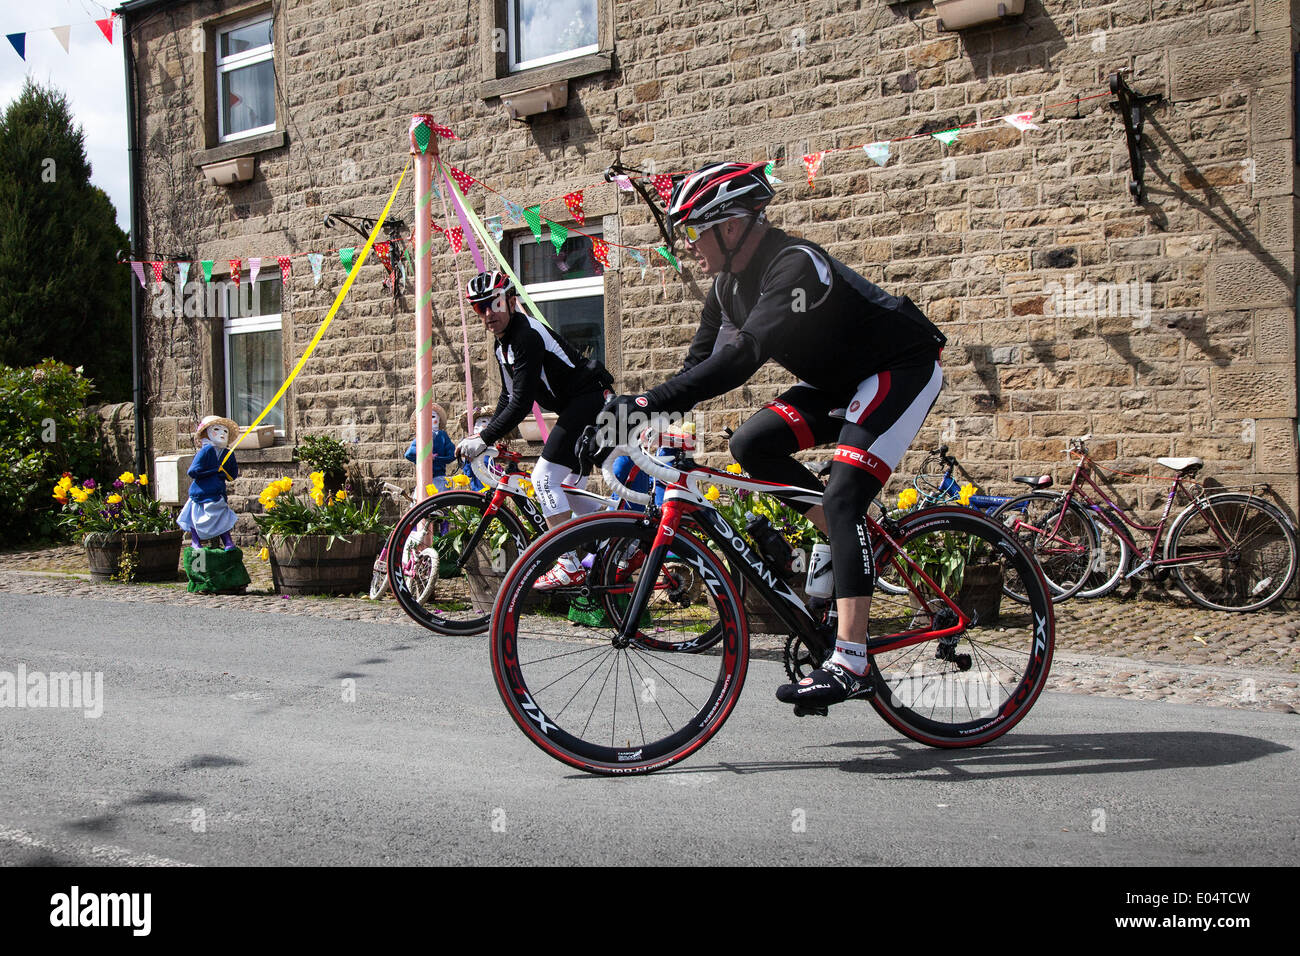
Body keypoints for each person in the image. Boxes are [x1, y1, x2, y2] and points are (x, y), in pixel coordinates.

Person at [600, 161, 947, 709]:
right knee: (751, 446)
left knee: (844, 497)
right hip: (839, 384)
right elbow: (699, 367)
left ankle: (852, 660)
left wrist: (643, 404)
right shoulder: (726, 288)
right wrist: (631, 420)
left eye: (694, 230)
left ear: (731, 226)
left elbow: (742, 358)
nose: (689, 245)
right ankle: (846, 538)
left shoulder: (795, 266)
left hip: (899, 368)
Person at [457, 270, 613, 588]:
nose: (488, 314)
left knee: (543, 480)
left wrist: (485, 438)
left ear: (510, 302)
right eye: (479, 308)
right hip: (578, 406)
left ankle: (568, 563)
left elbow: (523, 404)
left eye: (493, 304)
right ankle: (616, 541)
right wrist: (482, 435)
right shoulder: (504, 346)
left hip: (589, 401)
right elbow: (507, 396)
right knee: (569, 489)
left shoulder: (525, 336)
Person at [177, 415, 241, 550]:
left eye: (225, 431)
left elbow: (232, 475)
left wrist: (224, 472)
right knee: (194, 517)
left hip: (218, 493)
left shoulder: (228, 454)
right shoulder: (206, 451)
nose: (222, 434)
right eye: (217, 429)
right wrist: (214, 471)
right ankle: (195, 541)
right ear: (207, 433)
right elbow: (193, 471)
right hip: (201, 493)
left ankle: (228, 542)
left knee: (223, 518)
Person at [405, 402, 457, 492]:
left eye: (432, 417)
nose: (429, 420)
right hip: (423, 479)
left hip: (439, 479)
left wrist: (437, 458)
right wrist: (425, 456)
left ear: (439, 419)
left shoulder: (442, 436)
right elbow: (409, 454)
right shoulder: (420, 437)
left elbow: (452, 455)